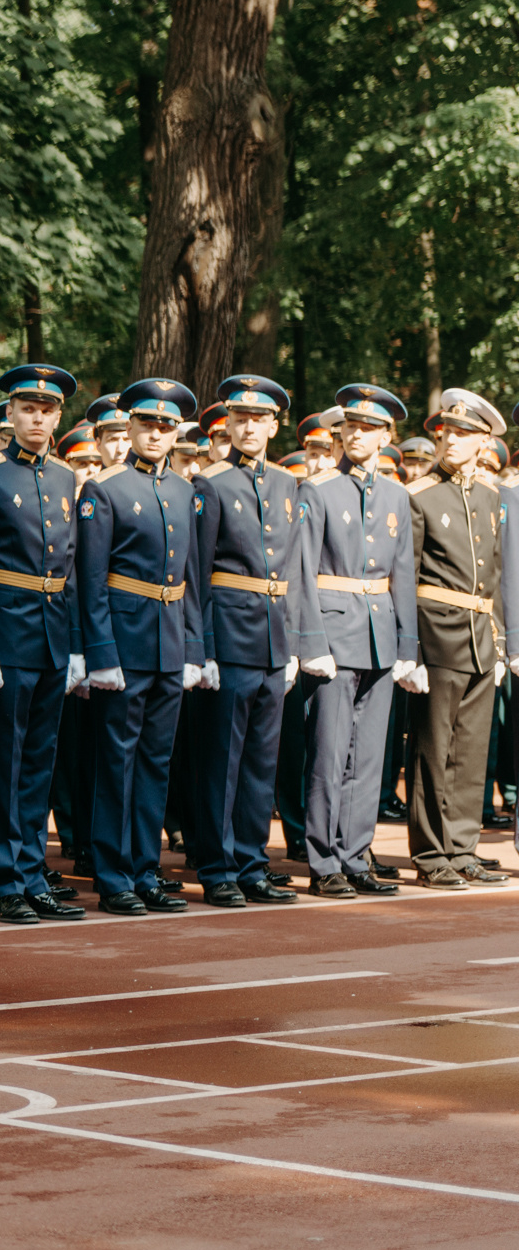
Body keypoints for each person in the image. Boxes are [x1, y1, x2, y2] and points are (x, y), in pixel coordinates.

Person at [0, 363, 89, 925]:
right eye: (27, 408)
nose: (38, 417)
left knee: (39, 762)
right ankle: (4, 879)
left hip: (53, 634)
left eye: (48, 409)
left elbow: (73, 567)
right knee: (1, 763)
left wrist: (79, 646)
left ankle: (32, 873)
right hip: (4, 637)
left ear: (59, 416)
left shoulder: (62, 477)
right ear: (9, 413)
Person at [78, 378, 206, 915]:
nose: (156, 434)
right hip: (125, 648)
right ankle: (113, 875)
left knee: (156, 763)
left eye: (166, 426)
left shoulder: (183, 489)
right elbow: (90, 579)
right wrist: (101, 655)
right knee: (117, 763)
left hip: (171, 644)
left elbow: (192, 579)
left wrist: (196, 650)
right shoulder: (103, 489)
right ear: (128, 427)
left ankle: (146, 869)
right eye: (147, 424)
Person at [189, 375, 306, 907]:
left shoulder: (286, 484)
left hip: (274, 638)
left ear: (274, 425)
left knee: (262, 760)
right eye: (240, 419)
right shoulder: (210, 484)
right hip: (230, 636)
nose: (250, 427)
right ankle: (218, 867)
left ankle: (253, 863)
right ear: (229, 425)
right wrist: (205, 648)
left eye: (260, 419)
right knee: (222, 759)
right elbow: (198, 572)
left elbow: (297, 569)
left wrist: (300, 642)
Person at [299, 383, 417, 898]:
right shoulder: (319, 488)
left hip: (381, 636)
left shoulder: (396, 494)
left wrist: (408, 648)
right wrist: (310, 641)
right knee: (328, 754)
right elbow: (302, 571)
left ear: (387, 436)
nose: (357, 434)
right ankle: (323, 860)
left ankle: (355, 854)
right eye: (350, 426)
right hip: (334, 632)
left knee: (369, 757)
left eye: (369, 428)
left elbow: (404, 575)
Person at [402, 389, 516, 889]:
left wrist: (499, 639)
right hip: (437, 634)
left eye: (465, 433)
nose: (452, 439)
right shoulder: (420, 494)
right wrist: (413, 649)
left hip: (479, 638)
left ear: (483, 442)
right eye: (447, 431)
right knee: (433, 748)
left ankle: (462, 847)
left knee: (472, 749)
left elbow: (493, 576)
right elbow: (405, 577)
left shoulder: (492, 497)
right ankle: (431, 853)